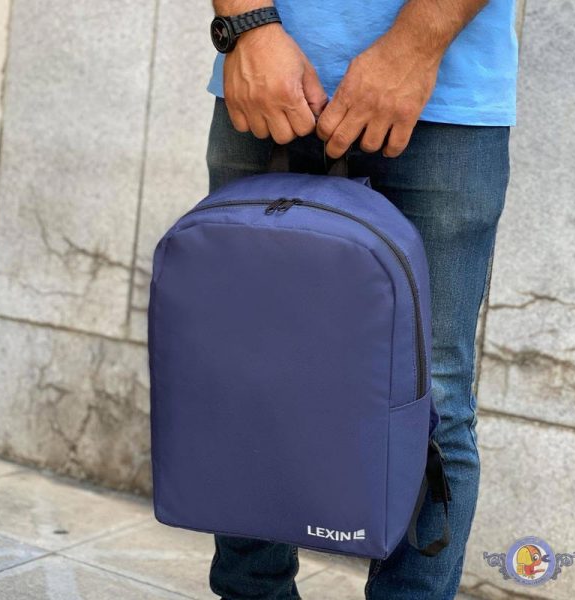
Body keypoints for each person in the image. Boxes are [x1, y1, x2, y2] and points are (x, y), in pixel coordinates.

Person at [205, 0, 517, 598]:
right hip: (263, 79)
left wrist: (413, 49)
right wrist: (249, 26)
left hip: (442, 97)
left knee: (434, 393)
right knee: (246, 375)